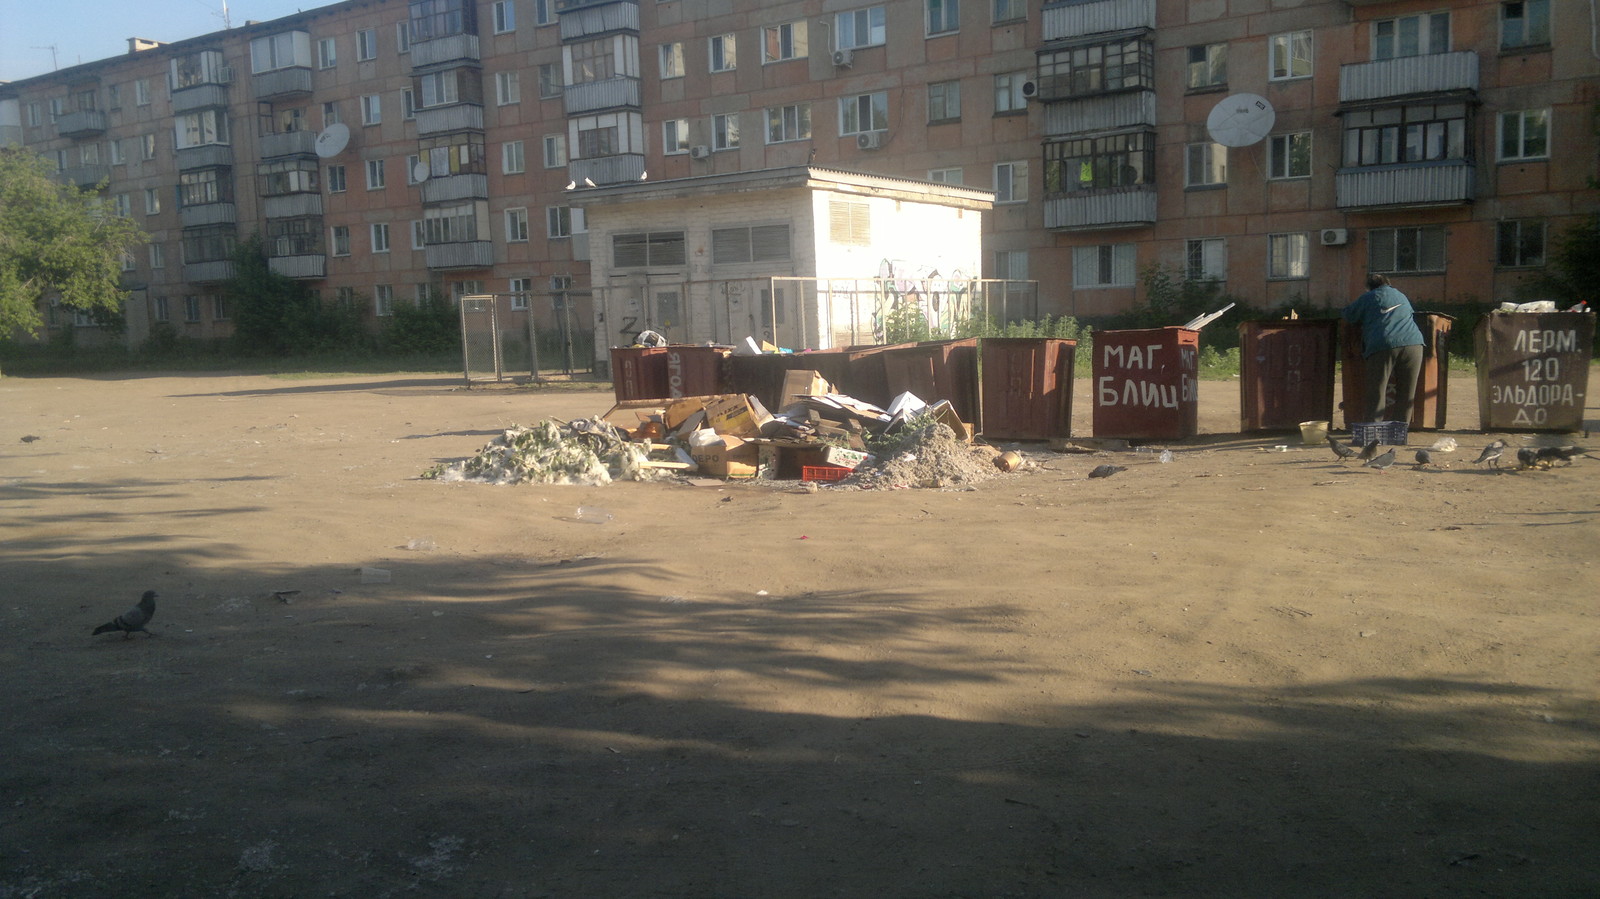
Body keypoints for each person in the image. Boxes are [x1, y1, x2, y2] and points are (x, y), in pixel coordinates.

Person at [1342, 273, 1425, 423]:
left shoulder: (1369, 297)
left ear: (1369, 287)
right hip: (1414, 344)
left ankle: (1372, 430)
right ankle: (1400, 430)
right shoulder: (1401, 295)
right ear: (1388, 283)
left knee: (1377, 391)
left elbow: (1349, 315)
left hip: (1383, 345)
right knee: (1407, 392)